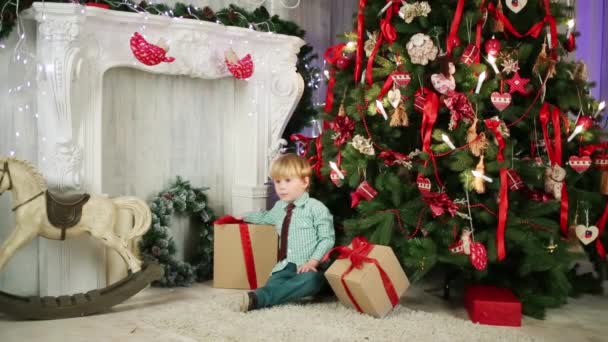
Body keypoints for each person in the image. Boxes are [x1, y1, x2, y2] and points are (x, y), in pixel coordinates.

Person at [235, 153, 335, 312]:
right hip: (284, 266)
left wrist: (312, 262)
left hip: (308, 267)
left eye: (288, 180)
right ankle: (269, 295)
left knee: (312, 280)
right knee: (273, 282)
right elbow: (265, 217)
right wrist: (244, 216)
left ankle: (259, 298)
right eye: (277, 181)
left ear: (304, 181)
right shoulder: (279, 207)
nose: (281, 186)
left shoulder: (316, 208)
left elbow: (327, 239)